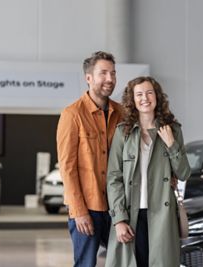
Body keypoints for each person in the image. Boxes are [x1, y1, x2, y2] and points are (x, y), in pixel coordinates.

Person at [105, 76, 191, 267]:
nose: (145, 98)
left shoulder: (173, 130)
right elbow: (113, 178)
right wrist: (119, 219)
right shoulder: (123, 132)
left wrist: (171, 144)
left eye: (149, 92)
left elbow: (184, 173)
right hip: (131, 214)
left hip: (163, 217)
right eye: (139, 94)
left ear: (157, 97)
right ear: (132, 100)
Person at [56, 51, 123, 267]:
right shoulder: (72, 114)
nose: (110, 79)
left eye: (113, 73)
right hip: (88, 207)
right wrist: (78, 211)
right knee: (85, 264)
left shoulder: (121, 114)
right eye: (103, 73)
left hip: (116, 206)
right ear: (89, 78)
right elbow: (67, 168)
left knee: (124, 261)